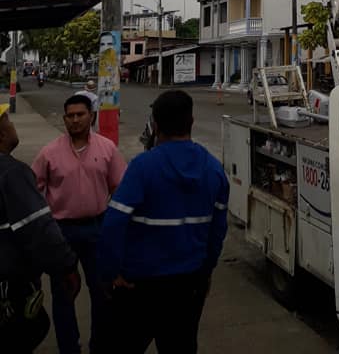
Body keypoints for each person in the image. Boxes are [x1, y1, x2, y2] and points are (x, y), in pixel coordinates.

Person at [98, 90, 229, 354]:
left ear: (155, 125)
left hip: (140, 286)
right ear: (191, 122)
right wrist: (206, 272)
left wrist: (111, 272)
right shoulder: (214, 169)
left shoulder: (142, 167)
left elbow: (113, 223)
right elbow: (218, 231)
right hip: (188, 285)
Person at [32, 94, 126, 354]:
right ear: (64, 119)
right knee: (63, 294)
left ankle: (100, 346)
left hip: (98, 229)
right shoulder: (49, 153)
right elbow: (33, 189)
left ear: (91, 116)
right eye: (70, 116)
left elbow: (120, 188)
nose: (75, 120)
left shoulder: (107, 149)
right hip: (61, 233)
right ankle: (69, 347)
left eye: (80, 114)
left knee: (102, 292)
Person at [0, 103, 80, 353]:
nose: (12, 125)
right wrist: (67, 266)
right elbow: (39, 229)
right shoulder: (12, 173)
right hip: (10, 285)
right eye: (8, 120)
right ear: (1, 134)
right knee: (30, 330)